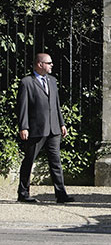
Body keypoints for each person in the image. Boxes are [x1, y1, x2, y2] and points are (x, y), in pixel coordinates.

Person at [16, 53, 74, 204]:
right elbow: (23, 107)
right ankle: (23, 193)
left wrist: (62, 123)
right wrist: (24, 126)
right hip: (36, 128)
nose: (51, 65)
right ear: (40, 64)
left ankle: (61, 194)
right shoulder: (27, 82)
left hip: (53, 128)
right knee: (29, 161)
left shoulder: (52, 81)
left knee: (56, 162)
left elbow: (56, 105)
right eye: (49, 63)